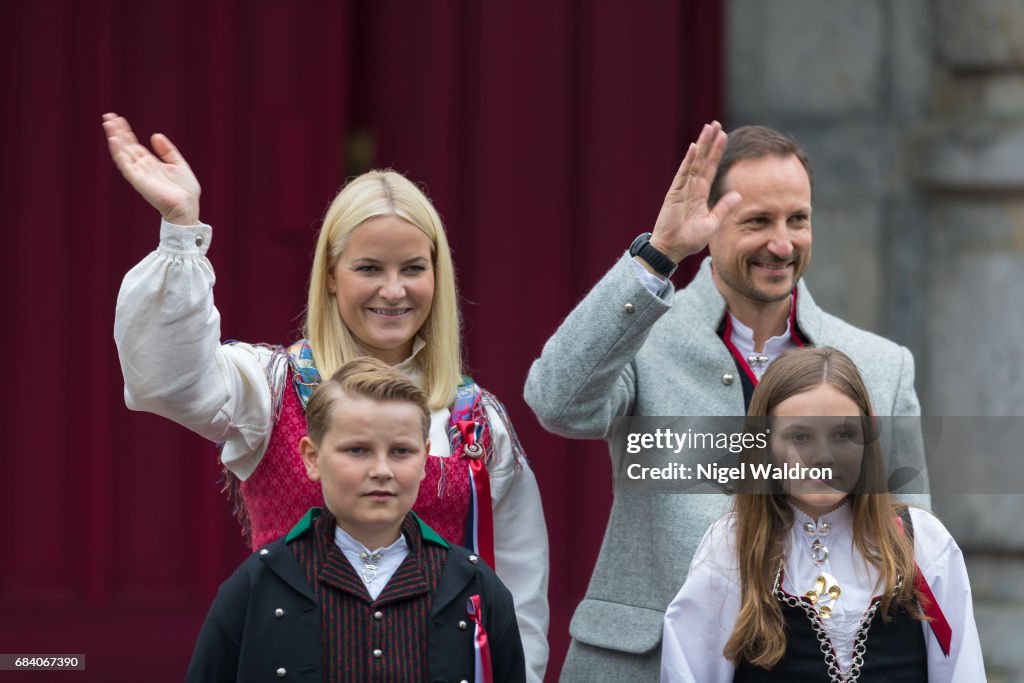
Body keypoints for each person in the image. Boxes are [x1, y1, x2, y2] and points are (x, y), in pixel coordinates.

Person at [103, 112, 549, 681]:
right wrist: (180, 226)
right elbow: (165, 378)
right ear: (332, 275)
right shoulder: (270, 385)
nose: (394, 289)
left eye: (413, 268)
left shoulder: (476, 419)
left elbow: (519, 585)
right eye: (369, 268)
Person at [524, 122, 929, 680]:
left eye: (798, 220)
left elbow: (912, 552)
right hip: (649, 663)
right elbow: (555, 401)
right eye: (758, 221)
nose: (782, 244)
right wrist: (659, 255)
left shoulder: (879, 366)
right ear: (709, 228)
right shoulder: (642, 340)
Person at [186, 357, 526, 682]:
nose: (381, 471)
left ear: (425, 459)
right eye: (357, 450)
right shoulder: (257, 584)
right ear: (312, 458)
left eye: (401, 451)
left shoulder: (474, 584)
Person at [661, 347, 984, 681]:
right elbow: (689, 672)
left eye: (843, 435)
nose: (823, 458)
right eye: (800, 437)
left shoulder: (921, 541)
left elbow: (961, 670)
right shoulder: (730, 546)